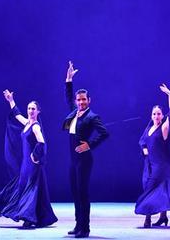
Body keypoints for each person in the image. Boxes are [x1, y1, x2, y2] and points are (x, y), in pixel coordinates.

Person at [0, 90, 58, 228]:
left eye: (33, 109)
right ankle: (33, 216)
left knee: (31, 190)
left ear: (38, 111)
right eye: (29, 108)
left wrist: (35, 155)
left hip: (32, 164)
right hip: (25, 164)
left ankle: (28, 217)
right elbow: (17, 114)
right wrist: (11, 101)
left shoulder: (36, 126)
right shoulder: (27, 123)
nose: (30, 111)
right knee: (23, 187)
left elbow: (42, 142)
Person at [63, 61, 109, 238]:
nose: (81, 102)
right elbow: (68, 97)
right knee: (75, 192)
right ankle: (78, 224)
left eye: (84, 99)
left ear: (89, 101)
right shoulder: (74, 112)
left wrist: (89, 144)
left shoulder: (92, 116)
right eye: (79, 99)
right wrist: (68, 80)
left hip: (84, 160)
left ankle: (85, 228)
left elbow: (104, 133)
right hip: (73, 160)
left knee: (83, 193)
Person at [135, 84, 170, 228]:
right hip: (149, 164)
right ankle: (163, 216)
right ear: (151, 115)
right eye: (154, 114)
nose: (156, 116)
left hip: (161, 165)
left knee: (151, 188)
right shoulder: (149, 128)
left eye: (159, 114)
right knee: (158, 188)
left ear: (162, 116)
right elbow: (142, 141)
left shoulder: (164, 127)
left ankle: (147, 218)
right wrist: (144, 150)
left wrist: (169, 94)